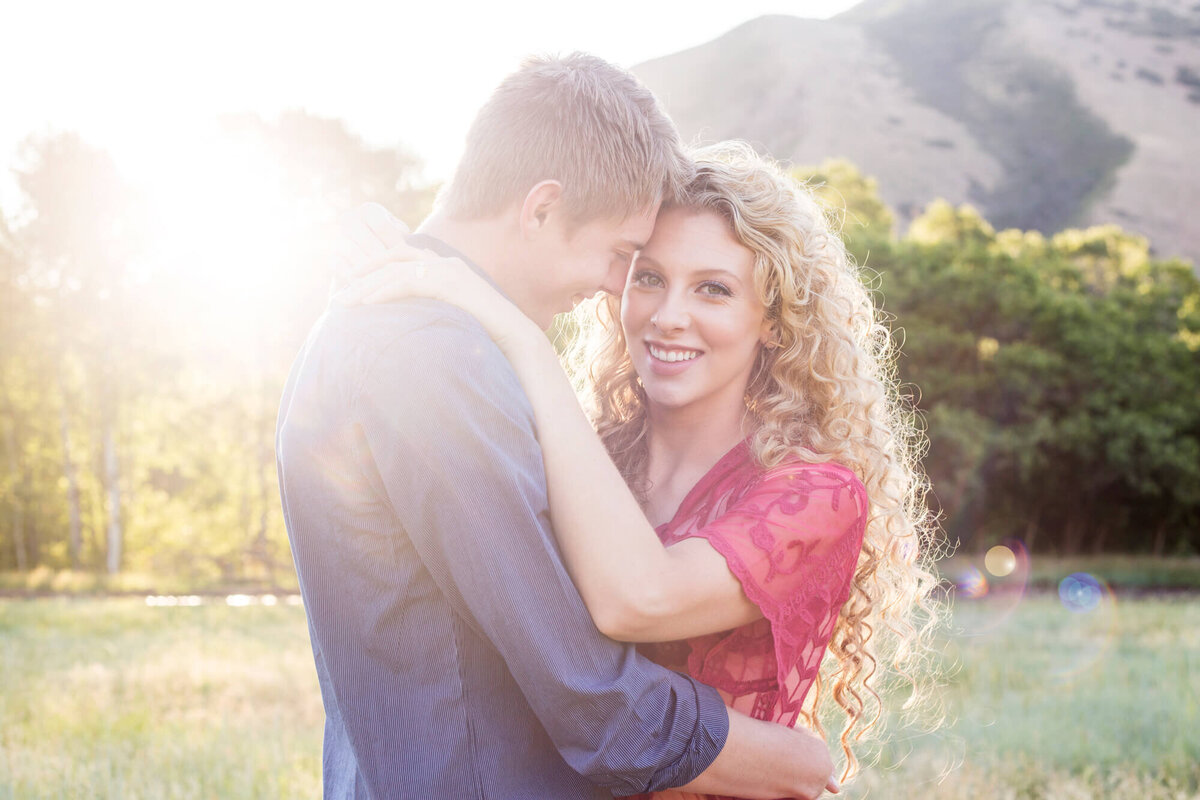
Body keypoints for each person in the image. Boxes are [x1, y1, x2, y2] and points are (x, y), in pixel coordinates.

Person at [277, 54, 839, 800]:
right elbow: (594, 704)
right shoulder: (438, 361)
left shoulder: (396, 325)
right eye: (624, 258)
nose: (616, 288)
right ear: (541, 208)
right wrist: (793, 760)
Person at [335, 142, 942, 798]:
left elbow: (638, 600)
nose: (667, 315)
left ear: (773, 320)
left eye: (714, 288)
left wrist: (524, 344)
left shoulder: (816, 496)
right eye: (648, 277)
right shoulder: (588, 456)